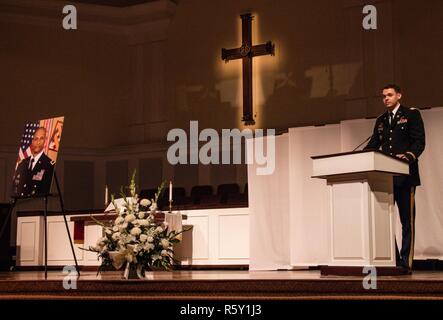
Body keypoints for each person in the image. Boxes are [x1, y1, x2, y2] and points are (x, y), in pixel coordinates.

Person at [364, 84, 425, 272]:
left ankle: (406, 262)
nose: (386, 99)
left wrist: (408, 156)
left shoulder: (412, 114)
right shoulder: (381, 120)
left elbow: (419, 141)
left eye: (389, 95)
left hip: (405, 176)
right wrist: (362, 157)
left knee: (407, 221)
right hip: (385, 179)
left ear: (399, 95)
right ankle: (394, 261)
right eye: (383, 96)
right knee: (384, 220)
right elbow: (374, 144)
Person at [12, 127, 55, 197]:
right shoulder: (22, 164)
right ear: (32, 141)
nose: (38, 142)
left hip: (37, 205)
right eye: (36, 139)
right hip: (19, 204)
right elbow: (15, 188)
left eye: (41, 138)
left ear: (45, 141)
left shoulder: (49, 165)